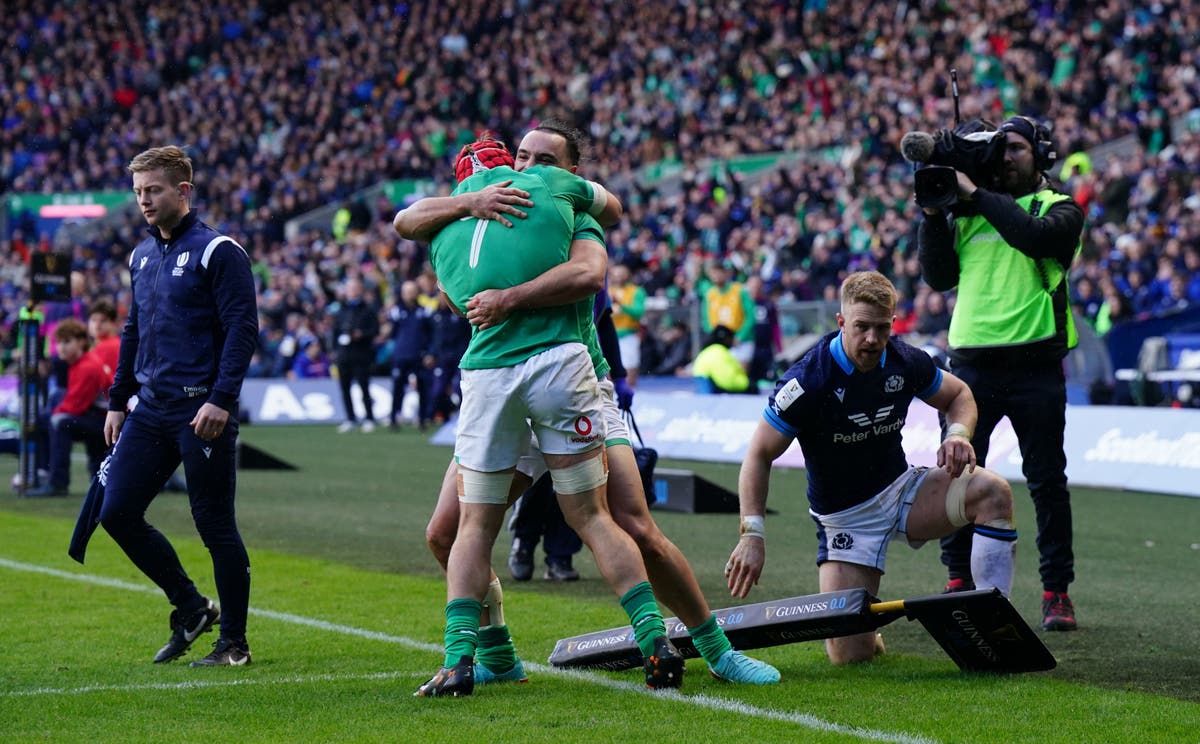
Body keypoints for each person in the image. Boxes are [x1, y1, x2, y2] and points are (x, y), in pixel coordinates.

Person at [406, 122, 778, 689]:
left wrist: (505, 297)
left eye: (545, 159)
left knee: (635, 525)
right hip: (513, 385)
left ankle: (717, 649)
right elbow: (419, 233)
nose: (529, 167)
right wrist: (470, 204)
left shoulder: (574, 214)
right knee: (443, 531)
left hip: (581, 382)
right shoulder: (490, 210)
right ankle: (498, 653)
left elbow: (587, 274)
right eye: (522, 156)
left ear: (571, 172)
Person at [725, 271, 1018, 665]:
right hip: (845, 520)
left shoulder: (904, 359)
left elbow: (959, 394)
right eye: (861, 327)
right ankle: (867, 635)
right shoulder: (808, 380)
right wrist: (752, 534)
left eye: (882, 328)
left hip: (903, 493)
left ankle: (997, 625)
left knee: (993, 492)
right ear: (841, 321)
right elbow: (759, 455)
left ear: (893, 323)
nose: (872, 339)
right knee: (850, 656)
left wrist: (959, 434)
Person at [917, 115, 1085, 631]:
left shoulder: (1059, 208)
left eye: (1016, 148)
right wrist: (933, 213)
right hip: (971, 370)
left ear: (1041, 155)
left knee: (1047, 482)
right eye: (999, 149)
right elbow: (938, 276)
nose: (1005, 157)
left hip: (1036, 367)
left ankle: (1056, 592)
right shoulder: (967, 212)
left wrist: (973, 192)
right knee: (956, 476)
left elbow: (1031, 237)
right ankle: (956, 579)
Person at [100, 145, 258, 666]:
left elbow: (242, 329)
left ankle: (233, 643)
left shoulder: (219, 251)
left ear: (183, 191)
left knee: (214, 524)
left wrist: (221, 399)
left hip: (200, 411)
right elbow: (133, 330)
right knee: (117, 512)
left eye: (153, 190)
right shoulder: (141, 256)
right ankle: (191, 607)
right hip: (149, 409)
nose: (144, 200)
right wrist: (117, 400)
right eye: (138, 192)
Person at [25, 318, 112, 497]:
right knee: (49, 415)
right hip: (101, 418)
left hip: (107, 421)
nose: (61, 347)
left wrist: (52, 415)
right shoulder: (79, 363)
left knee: (58, 421)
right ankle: (44, 474)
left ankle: (57, 483)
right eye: (58, 343)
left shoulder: (87, 366)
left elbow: (75, 406)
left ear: (81, 342)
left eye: (66, 342)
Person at [332, 276, 380, 433]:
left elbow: (375, 331)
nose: (352, 291)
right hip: (344, 354)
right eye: (349, 288)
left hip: (361, 354)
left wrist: (362, 335)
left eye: (354, 288)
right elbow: (335, 331)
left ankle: (369, 417)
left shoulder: (368, 310)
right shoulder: (342, 310)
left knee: (364, 387)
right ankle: (350, 418)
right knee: (344, 388)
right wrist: (334, 350)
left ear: (360, 290)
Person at [385, 279, 431, 430]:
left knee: (422, 388)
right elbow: (392, 333)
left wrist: (429, 352)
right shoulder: (396, 312)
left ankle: (422, 418)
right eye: (407, 292)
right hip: (401, 355)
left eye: (412, 291)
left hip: (419, 355)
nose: (410, 294)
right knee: (398, 387)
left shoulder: (425, 311)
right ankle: (394, 417)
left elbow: (431, 334)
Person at [608, 262, 646, 386]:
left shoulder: (636, 291)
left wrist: (621, 305)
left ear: (628, 275)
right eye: (615, 274)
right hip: (607, 336)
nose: (618, 277)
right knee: (607, 373)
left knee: (629, 372)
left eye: (621, 274)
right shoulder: (606, 291)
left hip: (628, 336)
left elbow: (638, 313)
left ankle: (630, 396)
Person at [691, 324, 751, 394]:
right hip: (711, 394)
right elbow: (728, 380)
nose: (732, 341)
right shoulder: (718, 352)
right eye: (731, 338)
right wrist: (747, 386)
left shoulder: (710, 350)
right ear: (726, 339)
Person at [86, 299, 121, 375]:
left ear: (114, 323)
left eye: (103, 320)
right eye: (93, 320)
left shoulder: (108, 346)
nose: (97, 325)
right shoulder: (114, 343)